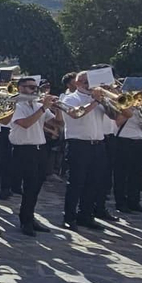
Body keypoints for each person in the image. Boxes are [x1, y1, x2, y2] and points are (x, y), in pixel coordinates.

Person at [60, 74, 111, 231]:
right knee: (76, 183)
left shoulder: (100, 99)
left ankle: (86, 215)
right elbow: (76, 114)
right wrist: (95, 101)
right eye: (87, 82)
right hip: (78, 145)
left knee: (93, 182)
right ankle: (69, 217)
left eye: (91, 82)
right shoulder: (70, 99)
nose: (90, 86)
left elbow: (118, 116)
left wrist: (108, 99)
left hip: (98, 144)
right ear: (78, 83)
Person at [8, 77, 56, 235]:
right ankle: (25, 220)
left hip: (39, 148)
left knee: (36, 186)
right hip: (24, 150)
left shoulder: (37, 104)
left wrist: (59, 108)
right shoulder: (16, 104)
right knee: (29, 185)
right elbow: (26, 123)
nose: (34, 90)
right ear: (20, 88)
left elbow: (56, 122)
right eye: (29, 87)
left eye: (35, 87)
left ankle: (30, 216)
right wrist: (43, 108)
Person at [111, 88, 142, 214]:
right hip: (124, 140)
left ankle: (134, 201)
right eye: (138, 97)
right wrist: (129, 111)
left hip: (140, 141)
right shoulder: (122, 106)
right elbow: (117, 123)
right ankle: (120, 203)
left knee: (136, 174)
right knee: (121, 174)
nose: (140, 100)